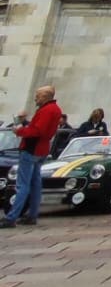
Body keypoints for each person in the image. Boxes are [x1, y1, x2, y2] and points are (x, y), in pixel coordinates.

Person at [1, 85, 64, 228]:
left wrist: (19, 131)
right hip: (42, 149)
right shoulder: (55, 109)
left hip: (31, 149)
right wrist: (24, 123)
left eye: (38, 95)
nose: (35, 98)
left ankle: (11, 217)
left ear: (45, 96)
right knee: (36, 184)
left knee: (22, 185)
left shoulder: (46, 110)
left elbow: (37, 131)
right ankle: (32, 215)